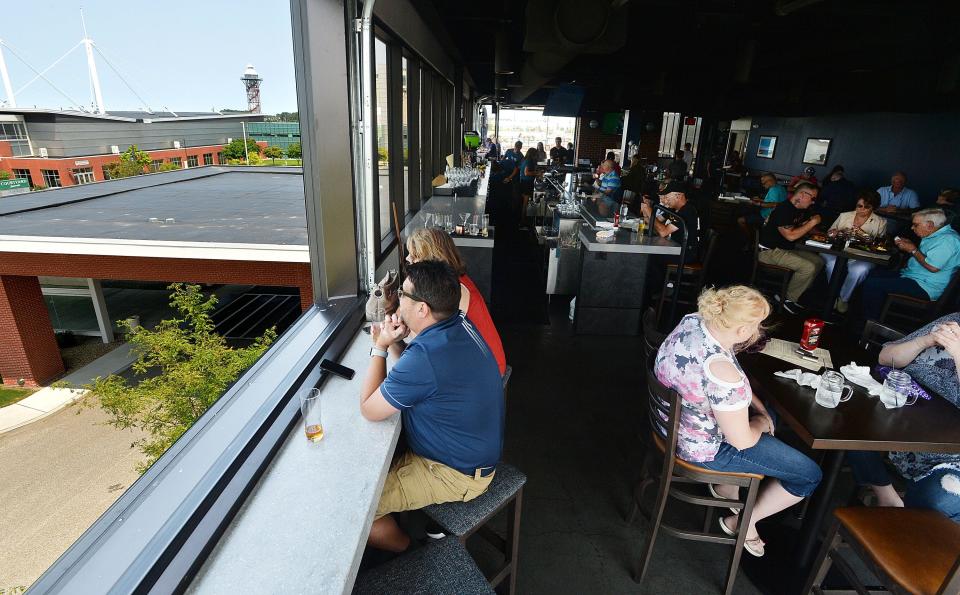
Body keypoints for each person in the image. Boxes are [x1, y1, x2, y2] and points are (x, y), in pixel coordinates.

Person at [655, 286, 822, 557]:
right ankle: (743, 522)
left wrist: (759, 408)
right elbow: (741, 440)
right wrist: (761, 422)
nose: (759, 331)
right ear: (743, 331)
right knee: (809, 475)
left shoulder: (694, 321)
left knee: (771, 413)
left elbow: (732, 378)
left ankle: (726, 486)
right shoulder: (720, 370)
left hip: (670, 423)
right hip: (703, 449)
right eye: (757, 325)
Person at [361, 261, 504, 552]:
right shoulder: (458, 324)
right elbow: (426, 373)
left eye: (402, 293)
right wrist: (398, 343)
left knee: (359, 509)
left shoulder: (428, 357)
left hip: (455, 474)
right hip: (470, 454)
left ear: (423, 309)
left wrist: (381, 346)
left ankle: (411, 552)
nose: (398, 298)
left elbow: (369, 409)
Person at [845, 313, 960, 522]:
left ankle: (906, 535)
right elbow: (886, 357)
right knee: (846, 416)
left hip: (944, 450)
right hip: (895, 414)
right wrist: (925, 340)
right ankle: (885, 494)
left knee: (940, 499)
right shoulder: (954, 321)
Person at [405, 228, 506, 375]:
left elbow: (425, 337)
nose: (408, 259)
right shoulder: (450, 281)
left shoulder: (453, 290)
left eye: (414, 255)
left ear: (430, 259)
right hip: (477, 362)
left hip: (488, 372)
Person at [861, 208, 960, 323]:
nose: (912, 228)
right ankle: (875, 314)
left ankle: (870, 325)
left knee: (873, 284)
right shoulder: (937, 235)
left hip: (926, 286)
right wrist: (911, 246)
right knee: (872, 274)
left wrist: (912, 249)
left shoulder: (948, 240)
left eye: (915, 225)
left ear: (929, 225)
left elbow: (933, 267)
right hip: (915, 277)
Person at [757, 182, 823, 314]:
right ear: (803, 195)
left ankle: (797, 292)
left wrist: (822, 232)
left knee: (819, 261)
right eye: (813, 198)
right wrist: (812, 222)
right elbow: (791, 236)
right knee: (808, 267)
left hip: (783, 249)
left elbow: (799, 227)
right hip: (768, 252)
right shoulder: (784, 209)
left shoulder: (798, 210)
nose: (813, 202)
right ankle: (787, 299)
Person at [820, 189, 887, 313]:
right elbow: (829, 233)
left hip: (861, 255)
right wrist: (834, 233)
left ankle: (843, 298)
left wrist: (862, 234)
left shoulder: (881, 222)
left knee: (860, 270)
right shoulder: (845, 215)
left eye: (866, 207)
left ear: (873, 207)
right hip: (837, 250)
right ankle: (832, 296)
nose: (861, 209)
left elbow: (878, 244)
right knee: (832, 265)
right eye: (859, 206)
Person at [641, 180, 699, 256]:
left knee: (650, 256)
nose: (665, 200)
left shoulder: (687, 210)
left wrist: (650, 212)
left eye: (667, 197)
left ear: (678, 196)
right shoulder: (673, 209)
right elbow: (655, 222)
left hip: (685, 253)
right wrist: (646, 212)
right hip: (673, 247)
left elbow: (663, 232)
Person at [738, 172, 787, 238]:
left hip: (766, 217)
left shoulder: (774, 190)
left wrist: (758, 203)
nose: (763, 185)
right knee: (746, 211)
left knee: (740, 220)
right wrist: (760, 200)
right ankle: (755, 235)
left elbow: (774, 204)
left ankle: (750, 239)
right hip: (774, 216)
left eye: (764, 183)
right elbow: (772, 201)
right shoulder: (781, 188)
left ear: (770, 181)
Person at [519, 147, 539, 226]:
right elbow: (526, 172)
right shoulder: (529, 161)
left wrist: (535, 172)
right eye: (535, 154)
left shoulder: (524, 159)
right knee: (525, 203)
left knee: (524, 202)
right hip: (526, 183)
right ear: (533, 154)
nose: (536, 156)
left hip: (523, 182)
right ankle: (523, 221)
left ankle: (522, 220)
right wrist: (537, 173)